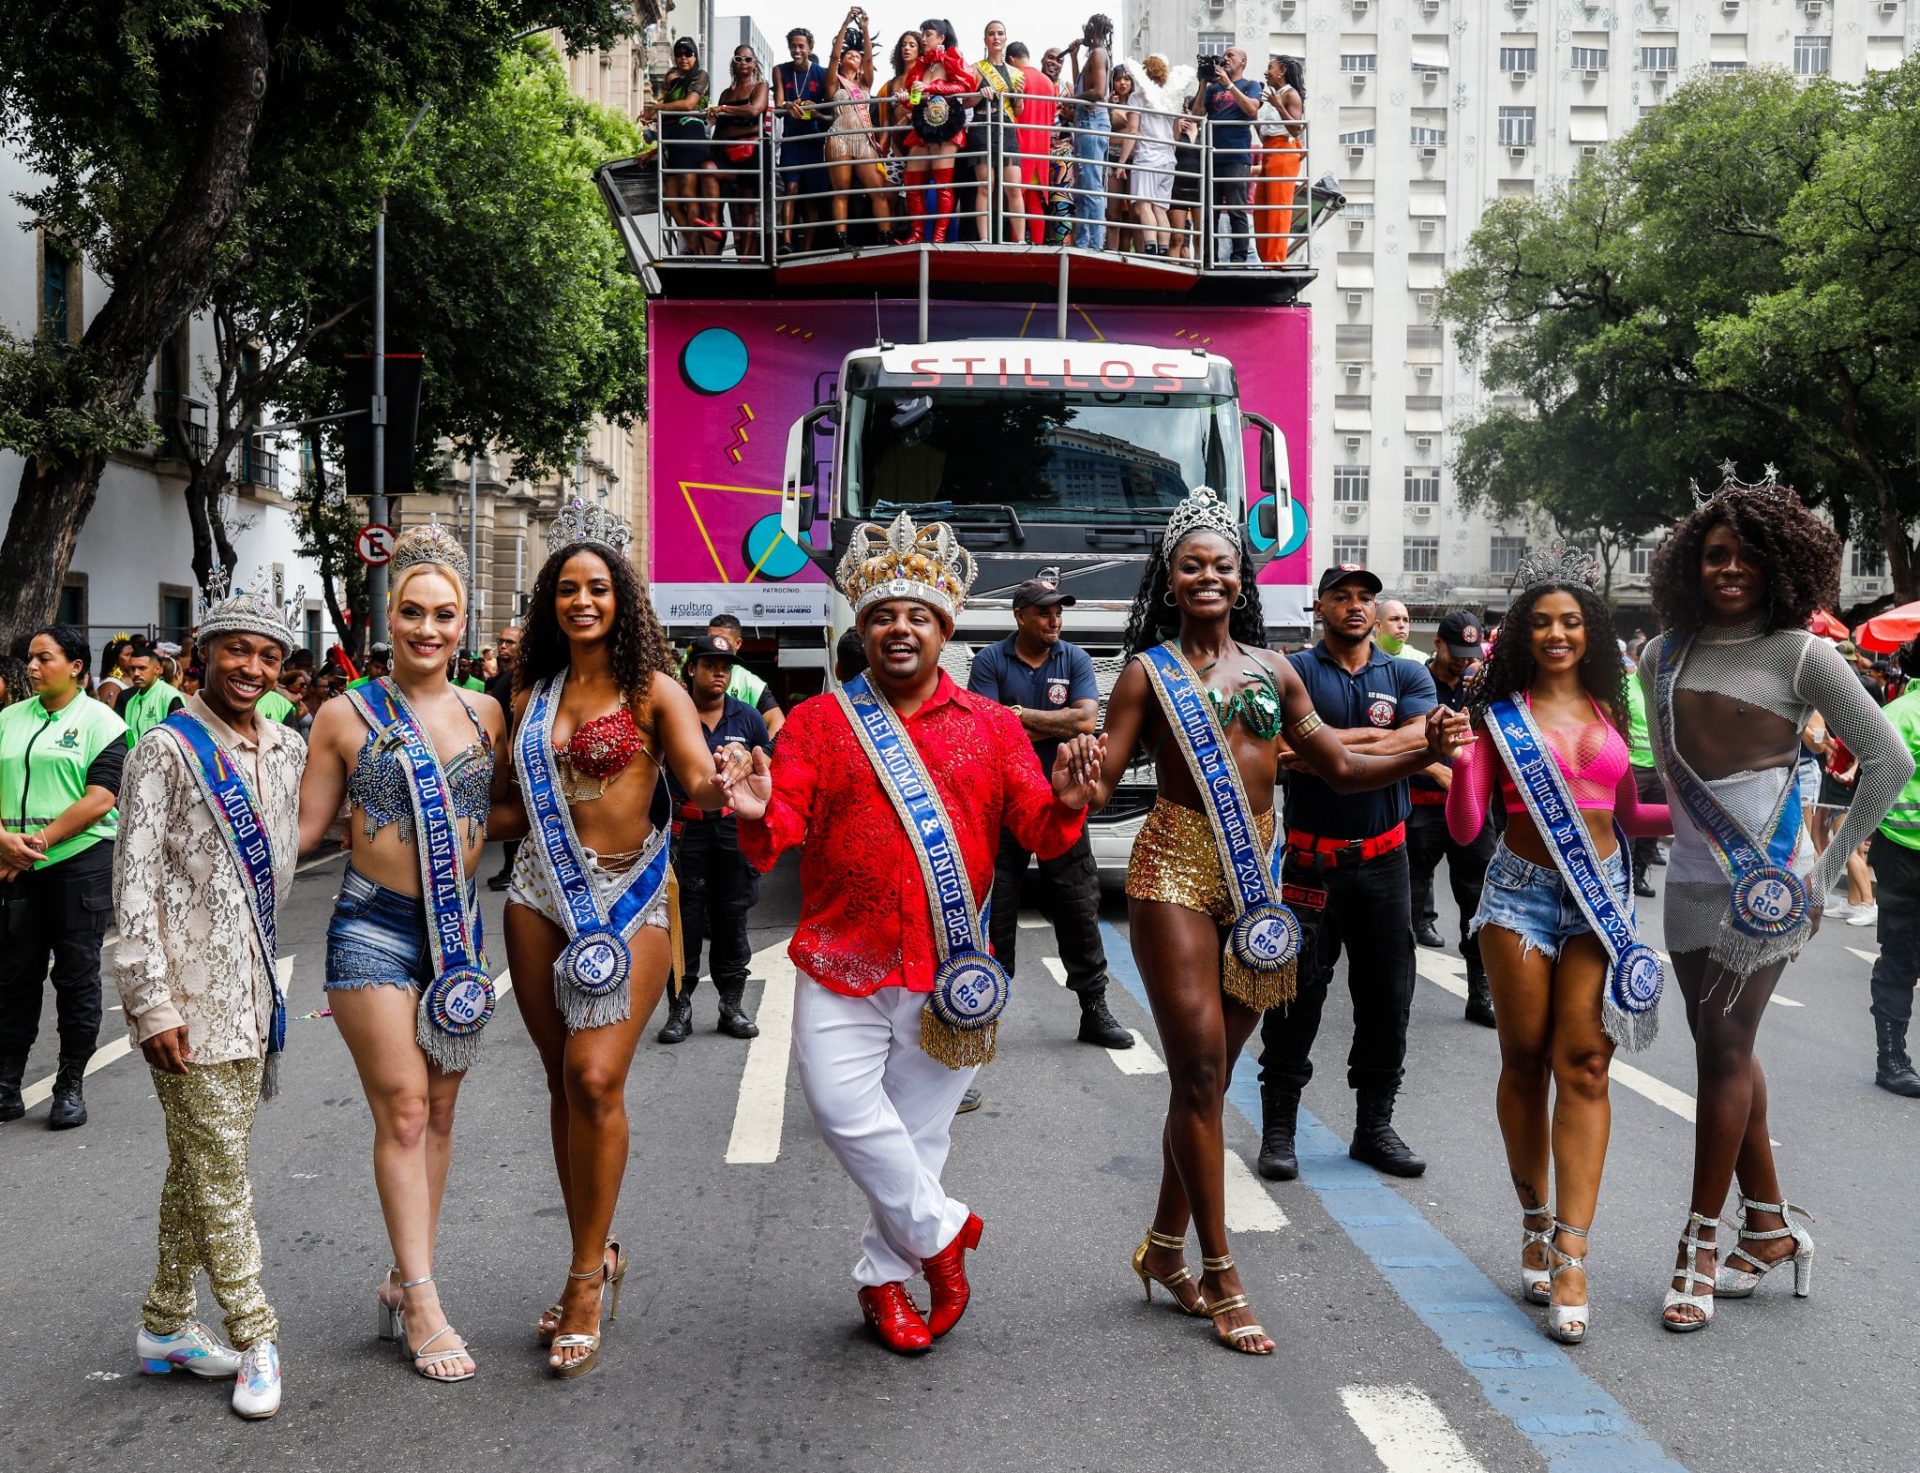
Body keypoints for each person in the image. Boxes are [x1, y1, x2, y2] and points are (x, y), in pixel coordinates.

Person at [1089, 490, 1467, 1355]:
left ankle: (1162, 1247)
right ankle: (1221, 1272)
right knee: (1199, 1072)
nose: (1209, 574)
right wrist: (1079, 772)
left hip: (1258, 885)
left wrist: (1427, 747)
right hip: (1175, 871)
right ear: (1172, 580)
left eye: (1223, 563)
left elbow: (1334, 763)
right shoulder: (1148, 673)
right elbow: (1102, 782)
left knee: (1210, 1084)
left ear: (1241, 578)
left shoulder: (1274, 669)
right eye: (1192, 564)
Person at [728, 509, 1103, 1355]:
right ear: (862, 631)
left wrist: (1073, 803)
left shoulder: (994, 726)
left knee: (919, 1137)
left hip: (948, 967)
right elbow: (780, 819)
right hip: (841, 956)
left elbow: (1041, 831)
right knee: (841, 1110)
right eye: (883, 616)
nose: (900, 628)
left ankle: (884, 1282)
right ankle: (945, 1234)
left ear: (945, 629)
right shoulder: (823, 723)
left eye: (918, 616)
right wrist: (757, 810)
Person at [1642, 477, 1910, 1332]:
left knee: (1722, 1049)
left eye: (1748, 556)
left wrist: (1825, 873)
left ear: (1779, 564)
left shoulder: (1803, 653)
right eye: (1716, 554)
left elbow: (1888, 760)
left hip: (1771, 892)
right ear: (1693, 562)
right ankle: (1769, 1229)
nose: (1730, 568)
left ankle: (1698, 1247)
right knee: (1728, 1049)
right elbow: (1664, 785)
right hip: (1689, 881)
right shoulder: (1661, 656)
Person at [493, 502, 748, 1375]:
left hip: (630, 898)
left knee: (596, 1076)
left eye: (596, 586)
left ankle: (584, 1282)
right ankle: (592, 1250)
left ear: (622, 598)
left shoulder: (656, 692)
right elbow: (504, 808)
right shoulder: (529, 696)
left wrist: (732, 786)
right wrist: (410, 819)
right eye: (566, 588)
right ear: (549, 602)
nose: (581, 600)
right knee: (562, 1085)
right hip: (535, 893)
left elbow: (697, 786)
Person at [298, 523, 505, 1381]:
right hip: (372, 925)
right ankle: (422, 1299)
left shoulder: (489, 712)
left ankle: (400, 1270)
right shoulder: (344, 714)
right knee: (408, 1111)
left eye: (444, 614)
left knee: (444, 1114)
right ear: (389, 615)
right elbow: (305, 833)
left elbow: (503, 817)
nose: (428, 627)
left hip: (456, 937)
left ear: (464, 623)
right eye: (413, 610)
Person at [1446, 552, 1670, 1345]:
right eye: (1541, 621)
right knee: (1525, 1060)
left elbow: (1634, 813)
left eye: (1571, 620)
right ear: (1520, 635)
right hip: (1518, 894)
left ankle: (1571, 1249)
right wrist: (1465, 760)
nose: (1557, 633)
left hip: (1601, 894)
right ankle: (1534, 1217)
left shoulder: (1615, 702)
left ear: (1591, 630)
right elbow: (1468, 828)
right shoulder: (1500, 713)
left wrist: (1720, 817)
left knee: (1586, 1062)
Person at [114, 581, 306, 1419]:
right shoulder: (165, 746)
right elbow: (134, 881)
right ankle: (255, 1331)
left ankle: (165, 1323)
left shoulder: (290, 749)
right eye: (238, 649)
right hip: (185, 1006)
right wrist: (149, 1000)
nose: (252, 667)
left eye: (268, 655)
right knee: (224, 1170)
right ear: (204, 651)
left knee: (200, 1166)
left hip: (252, 996)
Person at [1255, 564, 1441, 1183]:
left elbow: (1424, 740)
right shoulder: (1292, 671)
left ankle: (1374, 1128)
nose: (1356, 606)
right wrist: (1390, 747)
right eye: (1342, 597)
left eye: (1366, 598)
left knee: (1388, 999)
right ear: (1320, 605)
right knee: (1294, 997)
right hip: (1309, 864)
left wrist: (1330, 748)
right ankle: (1279, 1130)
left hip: (1387, 863)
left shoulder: (1408, 673)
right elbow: (1280, 751)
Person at [967, 570, 1130, 1048]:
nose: (1055, 618)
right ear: (1020, 616)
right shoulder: (990, 660)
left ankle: (1094, 1009)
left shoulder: (1074, 657)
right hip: (1005, 807)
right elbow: (988, 733)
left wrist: (1018, 717)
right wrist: (1049, 727)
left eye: (1059, 610)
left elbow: (1085, 719)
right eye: (1044, 611)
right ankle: (983, 1013)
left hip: (1063, 803)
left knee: (1079, 904)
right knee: (995, 909)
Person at [0, 626, 125, 1130]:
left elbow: (102, 797)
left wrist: (38, 845)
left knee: (75, 976)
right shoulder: (8, 719)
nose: (32, 667)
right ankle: (7, 1083)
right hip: (11, 863)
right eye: (30, 658)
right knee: (12, 977)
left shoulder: (102, 721)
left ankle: (69, 1083)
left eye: (43, 658)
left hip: (77, 861)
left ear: (75, 666)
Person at [660, 634, 773, 1044]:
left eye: (726, 666)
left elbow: (766, 768)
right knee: (682, 920)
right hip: (684, 832)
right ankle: (680, 1010)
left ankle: (731, 1007)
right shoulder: (673, 713)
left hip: (730, 832)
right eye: (710, 665)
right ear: (692, 669)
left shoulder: (747, 717)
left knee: (731, 918)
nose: (719, 673)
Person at [1409, 610, 1496, 1026]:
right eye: (1456, 653)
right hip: (1418, 808)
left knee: (1478, 900)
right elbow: (1396, 742)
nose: (1463, 661)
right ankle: (1397, 993)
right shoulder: (1413, 682)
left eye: (1470, 654)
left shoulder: (1481, 687)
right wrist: (1433, 766)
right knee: (1406, 902)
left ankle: (1480, 991)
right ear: (1437, 644)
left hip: (1471, 809)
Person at [1867, 639, 1920, 1097]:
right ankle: (1892, 1056)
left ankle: (1893, 1057)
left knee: (1900, 959)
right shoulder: (1905, 714)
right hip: (1905, 856)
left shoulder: (1898, 711)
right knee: (1901, 958)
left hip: (1898, 851)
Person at [895, 18, 975, 245]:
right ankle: (917, 234)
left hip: (946, 126)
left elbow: (965, 87)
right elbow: (914, 101)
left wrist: (931, 87)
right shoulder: (922, 64)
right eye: (923, 33)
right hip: (922, 127)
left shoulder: (952, 57)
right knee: (912, 182)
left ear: (941, 37)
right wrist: (906, 99)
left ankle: (939, 237)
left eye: (928, 34)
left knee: (943, 184)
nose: (923, 38)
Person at [818, 9, 892, 251]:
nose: (852, 56)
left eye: (856, 55)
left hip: (863, 138)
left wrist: (865, 28)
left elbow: (869, 59)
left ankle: (885, 238)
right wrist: (844, 24)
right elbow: (832, 57)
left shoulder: (865, 83)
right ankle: (841, 241)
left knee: (878, 191)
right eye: (847, 54)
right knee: (841, 191)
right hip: (839, 135)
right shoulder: (834, 81)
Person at [1190, 48, 1261, 266]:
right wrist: (1203, 82)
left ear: (1243, 60)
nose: (1226, 58)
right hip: (1212, 154)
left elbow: (1251, 110)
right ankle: (1209, 257)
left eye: (1231, 55)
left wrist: (1229, 84)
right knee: (1209, 210)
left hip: (1237, 156)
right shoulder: (1213, 89)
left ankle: (1239, 257)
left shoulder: (1251, 85)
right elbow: (1197, 114)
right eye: (1224, 55)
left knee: (1235, 208)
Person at [651, 38, 719, 257]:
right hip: (675, 144)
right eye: (679, 54)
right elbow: (668, 122)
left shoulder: (700, 76)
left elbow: (689, 104)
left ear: (695, 56)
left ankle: (696, 251)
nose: (683, 58)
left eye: (687, 53)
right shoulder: (677, 84)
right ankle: (691, 241)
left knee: (689, 196)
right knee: (671, 200)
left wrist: (657, 107)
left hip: (691, 140)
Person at [1118, 56, 1188, 258]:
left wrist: (1122, 162)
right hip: (1167, 158)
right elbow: (1176, 134)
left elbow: (1132, 130)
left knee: (1143, 205)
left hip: (1147, 157)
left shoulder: (1137, 98)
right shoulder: (1172, 99)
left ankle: (1150, 246)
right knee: (1160, 208)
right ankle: (1164, 250)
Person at [774, 27, 832, 253]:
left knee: (811, 199)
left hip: (814, 141)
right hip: (792, 141)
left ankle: (807, 249)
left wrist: (816, 112)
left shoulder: (822, 73)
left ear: (810, 48)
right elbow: (778, 107)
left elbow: (831, 115)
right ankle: (786, 242)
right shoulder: (779, 70)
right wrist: (789, 105)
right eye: (793, 46)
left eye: (801, 46)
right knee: (791, 188)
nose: (796, 50)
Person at [710, 45, 770, 260]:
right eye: (739, 59)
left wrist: (726, 110)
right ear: (733, 64)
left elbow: (755, 110)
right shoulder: (726, 93)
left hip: (752, 151)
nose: (743, 63)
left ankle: (745, 257)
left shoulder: (760, 86)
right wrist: (713, 149)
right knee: (707, 170)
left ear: (754, 64)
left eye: (748, 59)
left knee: (747, 207)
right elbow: (719, 129)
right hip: (727, 151)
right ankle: (714, 222)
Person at [973, 20, 1023, 243]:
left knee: (1013, 187)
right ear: (985, 39)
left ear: (1005, 39)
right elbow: (966, 104)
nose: (995, 37)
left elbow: (1019, 110)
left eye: (1000, 33)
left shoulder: (1015, 73)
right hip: (983, 128)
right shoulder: (974, 69)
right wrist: (979, 93)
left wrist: (1019, 98)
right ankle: (984, 239)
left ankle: (1020, 239)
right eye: (991, 34)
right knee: (986, 186)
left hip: (1007, 130)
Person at [1064, 14, 1112, 249]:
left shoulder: (1098, 53)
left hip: (1092, 122)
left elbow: (1098, 93)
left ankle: (1094, 243)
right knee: (1083, 185)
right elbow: (1084, 85)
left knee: (1091, 185)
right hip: (1086, 122)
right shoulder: (1095, 55)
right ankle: (1083, 241)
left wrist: (1072, 99)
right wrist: (1073, 58)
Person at [1254, 55, 1305, 265]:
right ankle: (1266, 258)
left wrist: (1278, 106)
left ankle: (1276, 260)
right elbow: (1263, 128)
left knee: (1278, 207)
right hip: (1268, 150)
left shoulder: (1290, 95)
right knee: (1262, 206)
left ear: (1281, 71)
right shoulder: (1272, 95)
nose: (1266, 72)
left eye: (1270, 68)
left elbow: (1296, 128)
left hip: (1283, 151)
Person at [485, 623, 524, 891]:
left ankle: (513, 869)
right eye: (501, 641)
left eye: (510, 642)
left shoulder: (521, 681)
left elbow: (516, 719)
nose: (503, 646)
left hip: (512, 752)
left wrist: (510, 753)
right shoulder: (495, 679)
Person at [706, 615, 786, 736]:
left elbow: (778, 721)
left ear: (738, 643)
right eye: (711, 640)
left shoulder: (750, 682)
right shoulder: (691, 673)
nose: (716, 645)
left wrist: (762, 753)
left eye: (723, 640)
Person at [1626, 649, 1664, 898]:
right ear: (1641, 661)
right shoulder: (1624, 687)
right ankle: (1624, 876)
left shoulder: (1667, 690)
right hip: (1631, 769)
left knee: (1652, 829)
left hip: (1660, 771)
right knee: (1628, 828)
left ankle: (1638, 875)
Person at [122, 640, 187, 747]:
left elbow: (181, 739)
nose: (136, 673)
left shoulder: (170, 696)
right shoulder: (129, 700)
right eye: (132, 669)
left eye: (142, 668)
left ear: (158, 669)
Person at [1376, 597, 1426, 664]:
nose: (1402, 625)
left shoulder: (1422, 661)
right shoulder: (1361, 659)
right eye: (1394, 619)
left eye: (1406, 620)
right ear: (1378, 626)